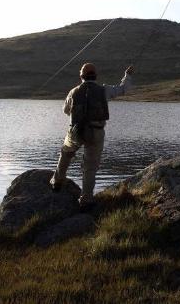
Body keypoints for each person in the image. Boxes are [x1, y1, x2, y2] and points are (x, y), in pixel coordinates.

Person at [50, 63, 134, 209]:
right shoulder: (104, 90)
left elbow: (65, 110)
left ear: (81, 76)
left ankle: (57, 181)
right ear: (95, 76)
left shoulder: (73, 92)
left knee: (66, 153)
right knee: (90, 167)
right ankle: (86, 200)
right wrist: (128, 75)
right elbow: (123, 90)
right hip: (96, 131)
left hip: (75, 131)